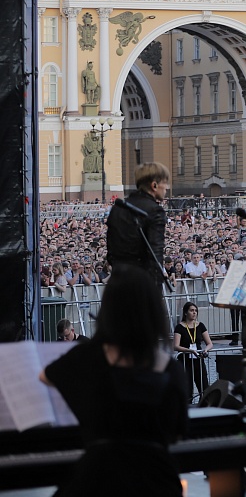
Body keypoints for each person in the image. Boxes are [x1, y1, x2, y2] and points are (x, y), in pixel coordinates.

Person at [40, 266, 189, 497]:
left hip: (99, 479)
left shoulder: (86, 357)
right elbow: (177, 433)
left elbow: (46, 376)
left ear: (108, 309)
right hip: (158, 482)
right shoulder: (172, 370)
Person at [106, 162, 169, 282]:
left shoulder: (118, 208)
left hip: (117, 281)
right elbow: (155, 252)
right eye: (165, 182)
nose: (167, 187)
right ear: (154, 185)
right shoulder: (155, 210)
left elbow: (111, 251)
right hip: (142, 283)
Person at [172, 301, 213, 401]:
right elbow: (175, 346)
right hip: (185, 361)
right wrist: (189, 351)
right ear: (186, 313)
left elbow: (210, 343)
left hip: (198, 360)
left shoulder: (200, 325)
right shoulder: (180, 327)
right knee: (187, 388)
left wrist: (206, 350)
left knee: (204, 386)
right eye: (191, 310)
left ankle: (204, 408)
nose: (194, 313)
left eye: (195, 311)